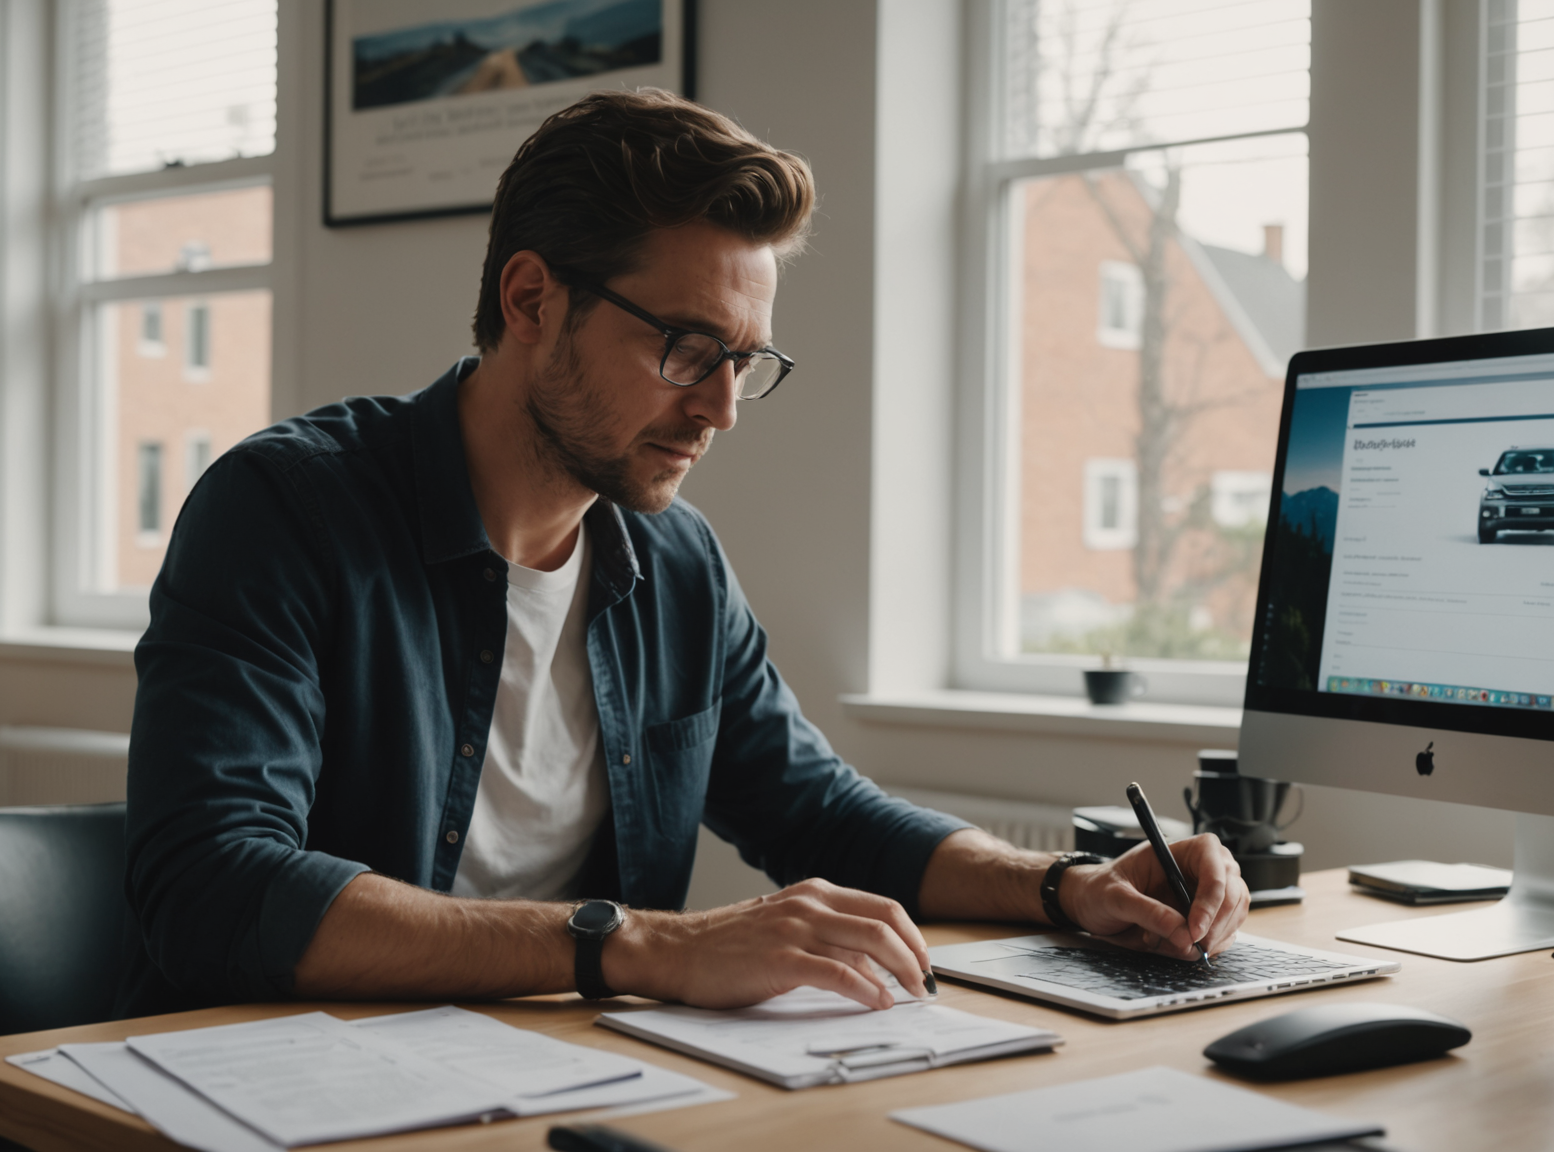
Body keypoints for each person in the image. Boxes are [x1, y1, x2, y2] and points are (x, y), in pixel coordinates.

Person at [118, 88, 1249, 1018]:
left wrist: (1067, 887)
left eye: (745, 359)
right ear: (530, 298)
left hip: (580, 1078)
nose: (721, 409)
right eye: (685, 348)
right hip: (302, 1087)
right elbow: (214, 889)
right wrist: (645, 947)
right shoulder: (281, 513)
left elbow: (818, 810)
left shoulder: (675, 562)